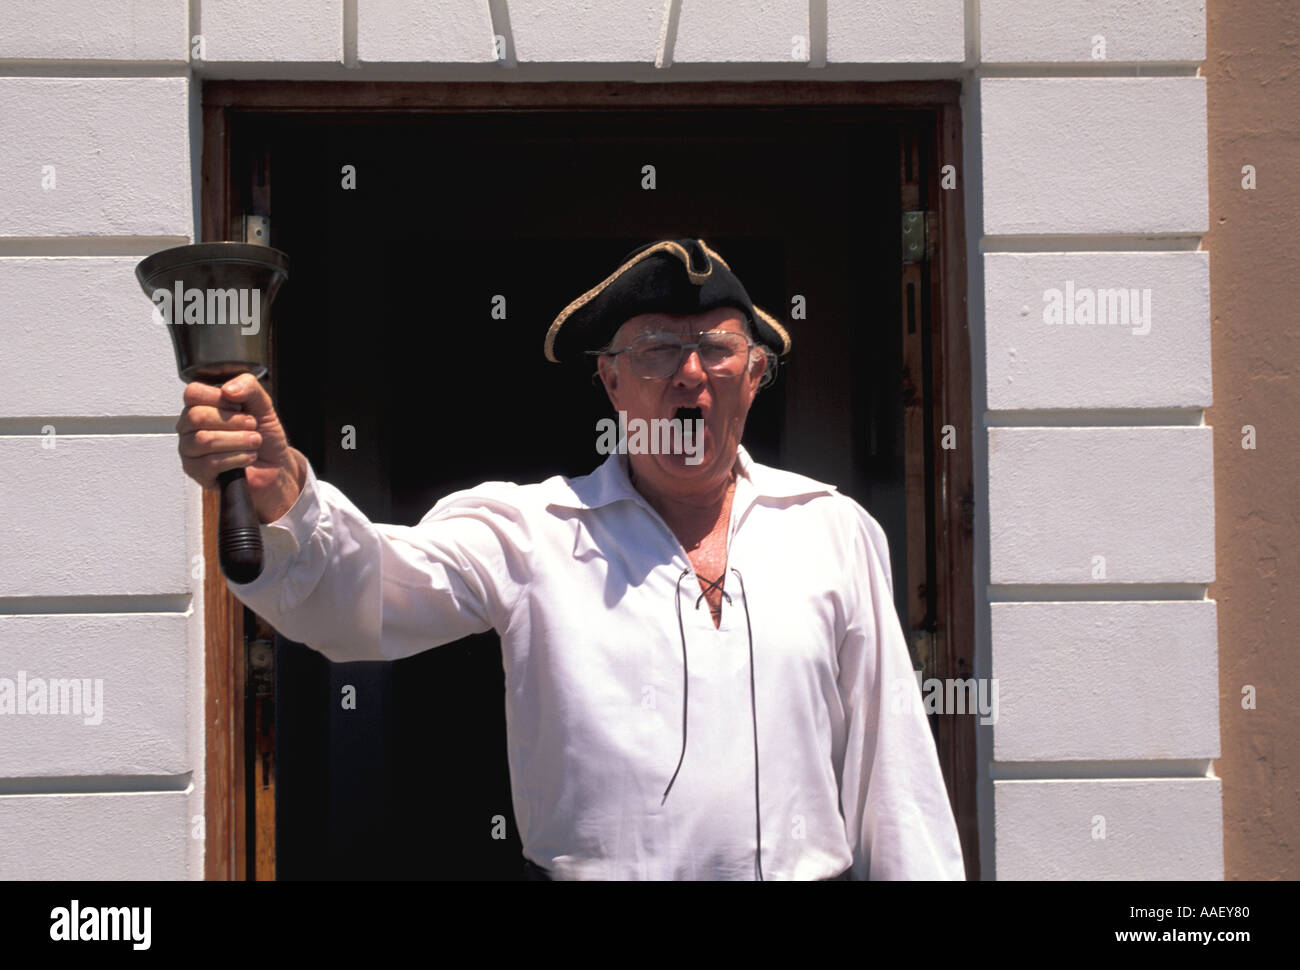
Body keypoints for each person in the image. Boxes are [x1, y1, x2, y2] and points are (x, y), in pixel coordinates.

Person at [175, 237, 965, 881]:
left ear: (754, 377)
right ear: (612, 382)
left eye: (717, 349)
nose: (690, 374)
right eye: (656, 349)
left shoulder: (833, 529)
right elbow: (362, 601)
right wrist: (285, 495)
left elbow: (893, 774)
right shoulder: (531, 531)